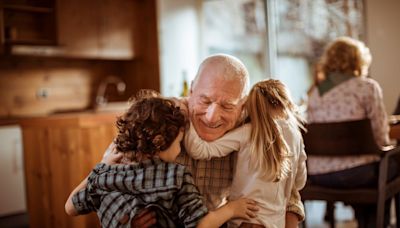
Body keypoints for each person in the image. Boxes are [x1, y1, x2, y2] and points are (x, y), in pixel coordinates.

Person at [102, 54, 305, 227]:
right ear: (191, 90)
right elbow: (103, 185)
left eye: (227, 106)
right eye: (205, 100)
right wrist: (127, 220)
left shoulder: (252, 131)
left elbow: (289, 190)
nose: (211, 117)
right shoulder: (159, 120)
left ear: (243, 105)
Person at [65, 90, 259, 228]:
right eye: (179, 143)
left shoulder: (107, 173)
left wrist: (102, 167)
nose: (179, 151)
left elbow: (70, 208)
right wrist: (232, 210)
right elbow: (200, 224)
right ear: (159, 141)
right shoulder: (175, 176)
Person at [184, 79, 307, 227]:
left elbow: (199, 150)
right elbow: (300, 182)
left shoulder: (247, 132)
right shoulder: (296, 136)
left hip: (243, 220)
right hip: (275, 223)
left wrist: (187, 116)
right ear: (285, 102)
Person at [306, 36, 399, 227]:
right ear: (359, 61)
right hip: (358, 174)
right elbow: (381, 138)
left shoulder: (316, 92)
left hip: (318, 175)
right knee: (392, 163)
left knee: (376, 169)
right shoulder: (366, 87)